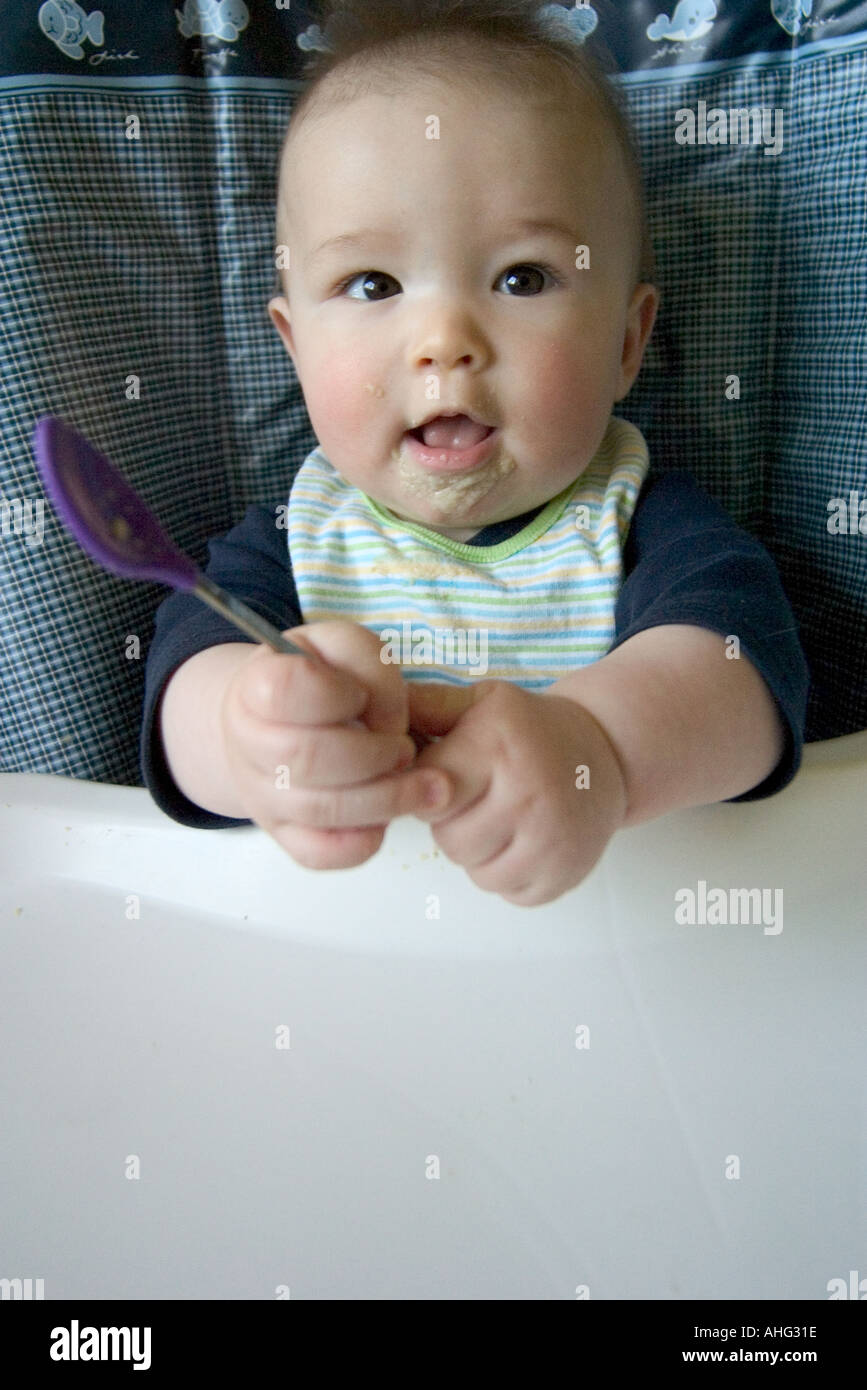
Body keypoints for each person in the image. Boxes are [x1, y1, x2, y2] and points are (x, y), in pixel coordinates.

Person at [141, 0, 809, 906]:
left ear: (624, 342)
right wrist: (248, 734)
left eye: (521, 277)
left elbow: (743, 684)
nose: (443, 340)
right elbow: (180, 701)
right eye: (371, 283)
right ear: (294, 350)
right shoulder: (288, 545)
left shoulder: (648, 526)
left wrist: (594, 752)